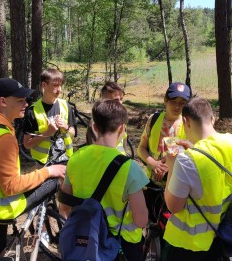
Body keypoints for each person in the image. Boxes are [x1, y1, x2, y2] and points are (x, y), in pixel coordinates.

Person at [0, 78, 66, 261]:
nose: (26, 104)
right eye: (20, 100)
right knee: (53, 179)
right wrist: (48, 172)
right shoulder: (2, 136)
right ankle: (47, 233)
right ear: (3, 102)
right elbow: (11, 186)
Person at [59, 99, 149, 261]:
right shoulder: (130, 168)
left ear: (93, 127)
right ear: (122, 129)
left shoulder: (75, 160)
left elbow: (64, 207)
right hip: (121, 246)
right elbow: (141, 219)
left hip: (85, 244)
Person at [162, 96, 232, 260]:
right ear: (212, 118)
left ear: (186, 121)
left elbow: (173, 206)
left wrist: (172, 164)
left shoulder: (187, 161)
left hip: (192, 245)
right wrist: (194, 149)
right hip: (227, 234)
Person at [137, 82, 190, 222]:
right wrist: (154, 163)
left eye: (182, 103)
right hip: (151, 184)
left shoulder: (189, 124)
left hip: (175, 188)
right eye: (173, 101)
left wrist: (167, 167)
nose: (177, 106)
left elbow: (189, 155)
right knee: (151, 225)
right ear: (165, 100)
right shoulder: (153, 120)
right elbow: (141, 148)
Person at [23, 68, 76, 166]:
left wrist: (66, 127)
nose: (59, 89)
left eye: (60, 85)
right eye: (55, 85)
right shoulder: (32, 111)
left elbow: (73, 132)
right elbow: (27, 144)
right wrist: (48, 133)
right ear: (44, 85)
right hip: (43, 164)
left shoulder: (66, 106)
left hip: (65, 160)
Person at [86, 81, 127, 154]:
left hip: (123, 163)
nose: (120, 103)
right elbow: (95, 153)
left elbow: (124, 148)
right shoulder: (96, 124)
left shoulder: (122, 120)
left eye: (121, 99)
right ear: (104, 101)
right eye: (116, 100)